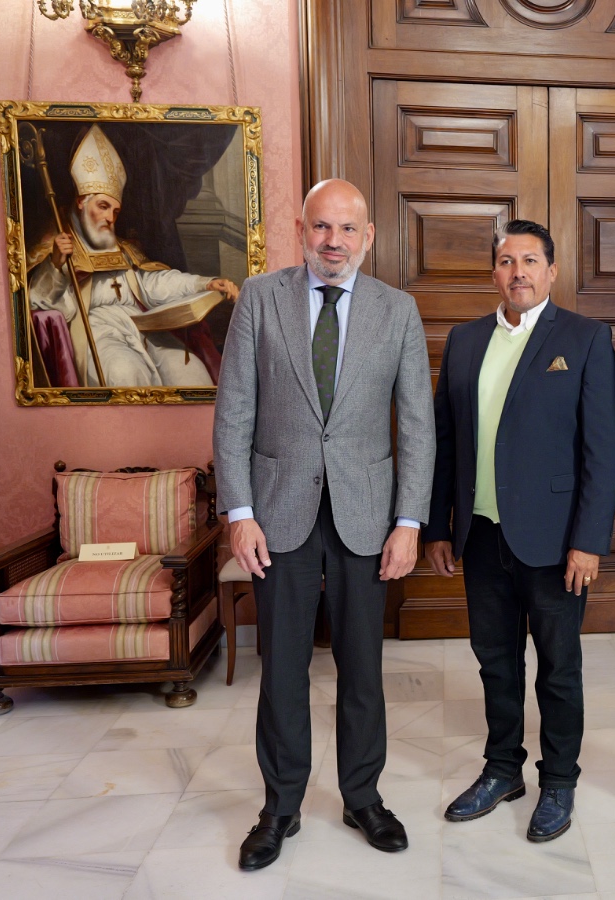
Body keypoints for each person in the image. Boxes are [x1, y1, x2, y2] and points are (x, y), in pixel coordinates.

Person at [213, 178, 435, 870]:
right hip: (276, 515)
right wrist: (240, 513)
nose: (333, 241)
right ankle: (280, 806)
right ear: (300, 231)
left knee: (362, 669)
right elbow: (234, 413)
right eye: (321, 227)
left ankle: (362, 796)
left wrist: (409, 522)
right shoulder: (259, 299)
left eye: (347, 229)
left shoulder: (398, 311)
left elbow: (417, 426)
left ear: (368, 237)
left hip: (366, 517)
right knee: (281, 667)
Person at [424, 220, 615, 843]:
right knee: (495, 661)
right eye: (507, 261)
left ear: (552, 271)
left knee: (558, 667)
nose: (519, 272)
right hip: (482, 534)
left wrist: (588, 540)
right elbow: (445, 441)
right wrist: (438, 526)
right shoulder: (464, 341)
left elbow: (604, 450)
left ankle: (559, 780)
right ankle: (502, 769)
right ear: (494, 272)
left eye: (531, 261)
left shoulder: (585, 338)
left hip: (556, 540)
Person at [27, 125, 239, 388]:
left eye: (115, 211)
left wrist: (204, 284)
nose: (110, 218)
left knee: (189, 371)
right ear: (81, 202)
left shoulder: (125, 250)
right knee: (123, 373)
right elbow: (39, 302)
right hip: (99, 333)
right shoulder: (58, 249)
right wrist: (56, 266)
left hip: (144, 329)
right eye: (103, 206)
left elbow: (154, 284)